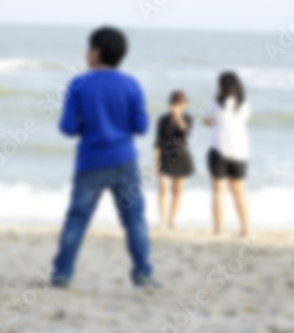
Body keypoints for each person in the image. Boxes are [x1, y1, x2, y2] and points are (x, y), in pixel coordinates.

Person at [51, 26, 158, 288]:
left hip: (90, 162)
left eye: (89, 48)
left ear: (96, 52)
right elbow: (142, 127)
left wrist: (86, 125)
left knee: (77, 218)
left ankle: (62, 273)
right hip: (125, 160)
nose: (87, 54)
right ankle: (143, 272)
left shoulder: (79, 84)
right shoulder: (131, 84)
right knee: (134, 219)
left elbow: (67, 128)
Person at [205, 72, 250, 237]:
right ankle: (245, 228)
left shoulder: (216, 103)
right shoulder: (243, 104)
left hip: (219, 150)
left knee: (218, 191)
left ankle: (218, 229)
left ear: (222, 86)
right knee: (239, 192)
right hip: (240, 152)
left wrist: (216, 97)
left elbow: (207, 122)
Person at [154, 91, 194, 229]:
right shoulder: (163, 120)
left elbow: (185, 131)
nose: (179, 106)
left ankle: (172, 220)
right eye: (177, 104)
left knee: (177, 191)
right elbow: (158, 141)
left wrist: (178, 117)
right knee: (163, 188)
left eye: (182, 104)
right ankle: (162, 220)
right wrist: (156, 161)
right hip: (165, 156)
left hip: (181, 157)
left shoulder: (187, 118)